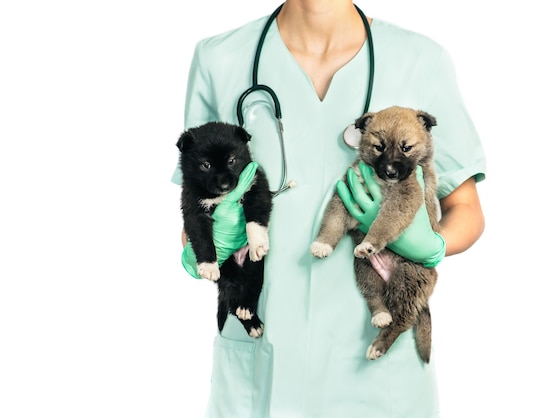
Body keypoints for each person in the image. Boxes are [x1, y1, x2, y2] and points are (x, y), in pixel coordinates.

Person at [171, 1, 486, 417]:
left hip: (377, 372)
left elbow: (466, 207)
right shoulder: (221, 58)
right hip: (263, 362)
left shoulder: (420, 59)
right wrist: (209, 246)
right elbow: (194, 205)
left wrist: (431, 243)